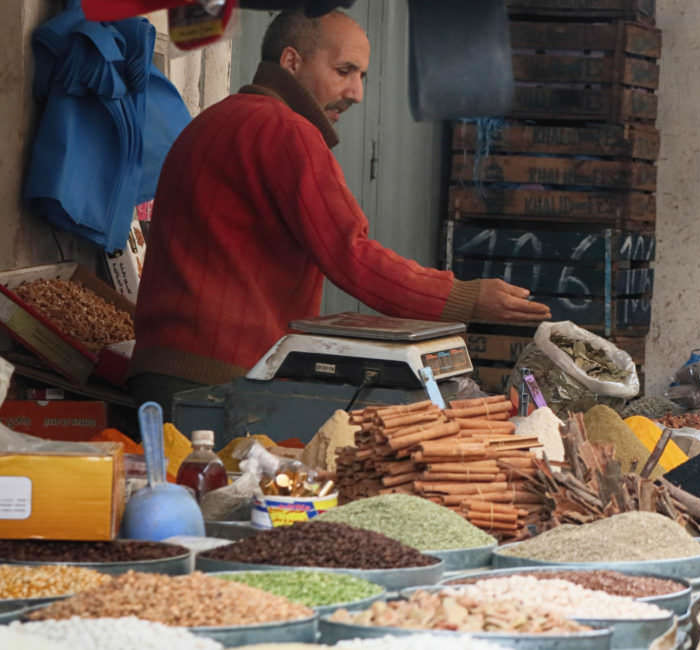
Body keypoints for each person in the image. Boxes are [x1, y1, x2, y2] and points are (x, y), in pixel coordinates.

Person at [129, 10, 550, 416]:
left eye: (362, 76)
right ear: (292, 61)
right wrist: (465, 298)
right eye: (344, 71)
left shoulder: (212, 121)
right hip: (223, 383)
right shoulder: (288, 132)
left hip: (159, 373)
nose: (356, 93)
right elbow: (353, 256)